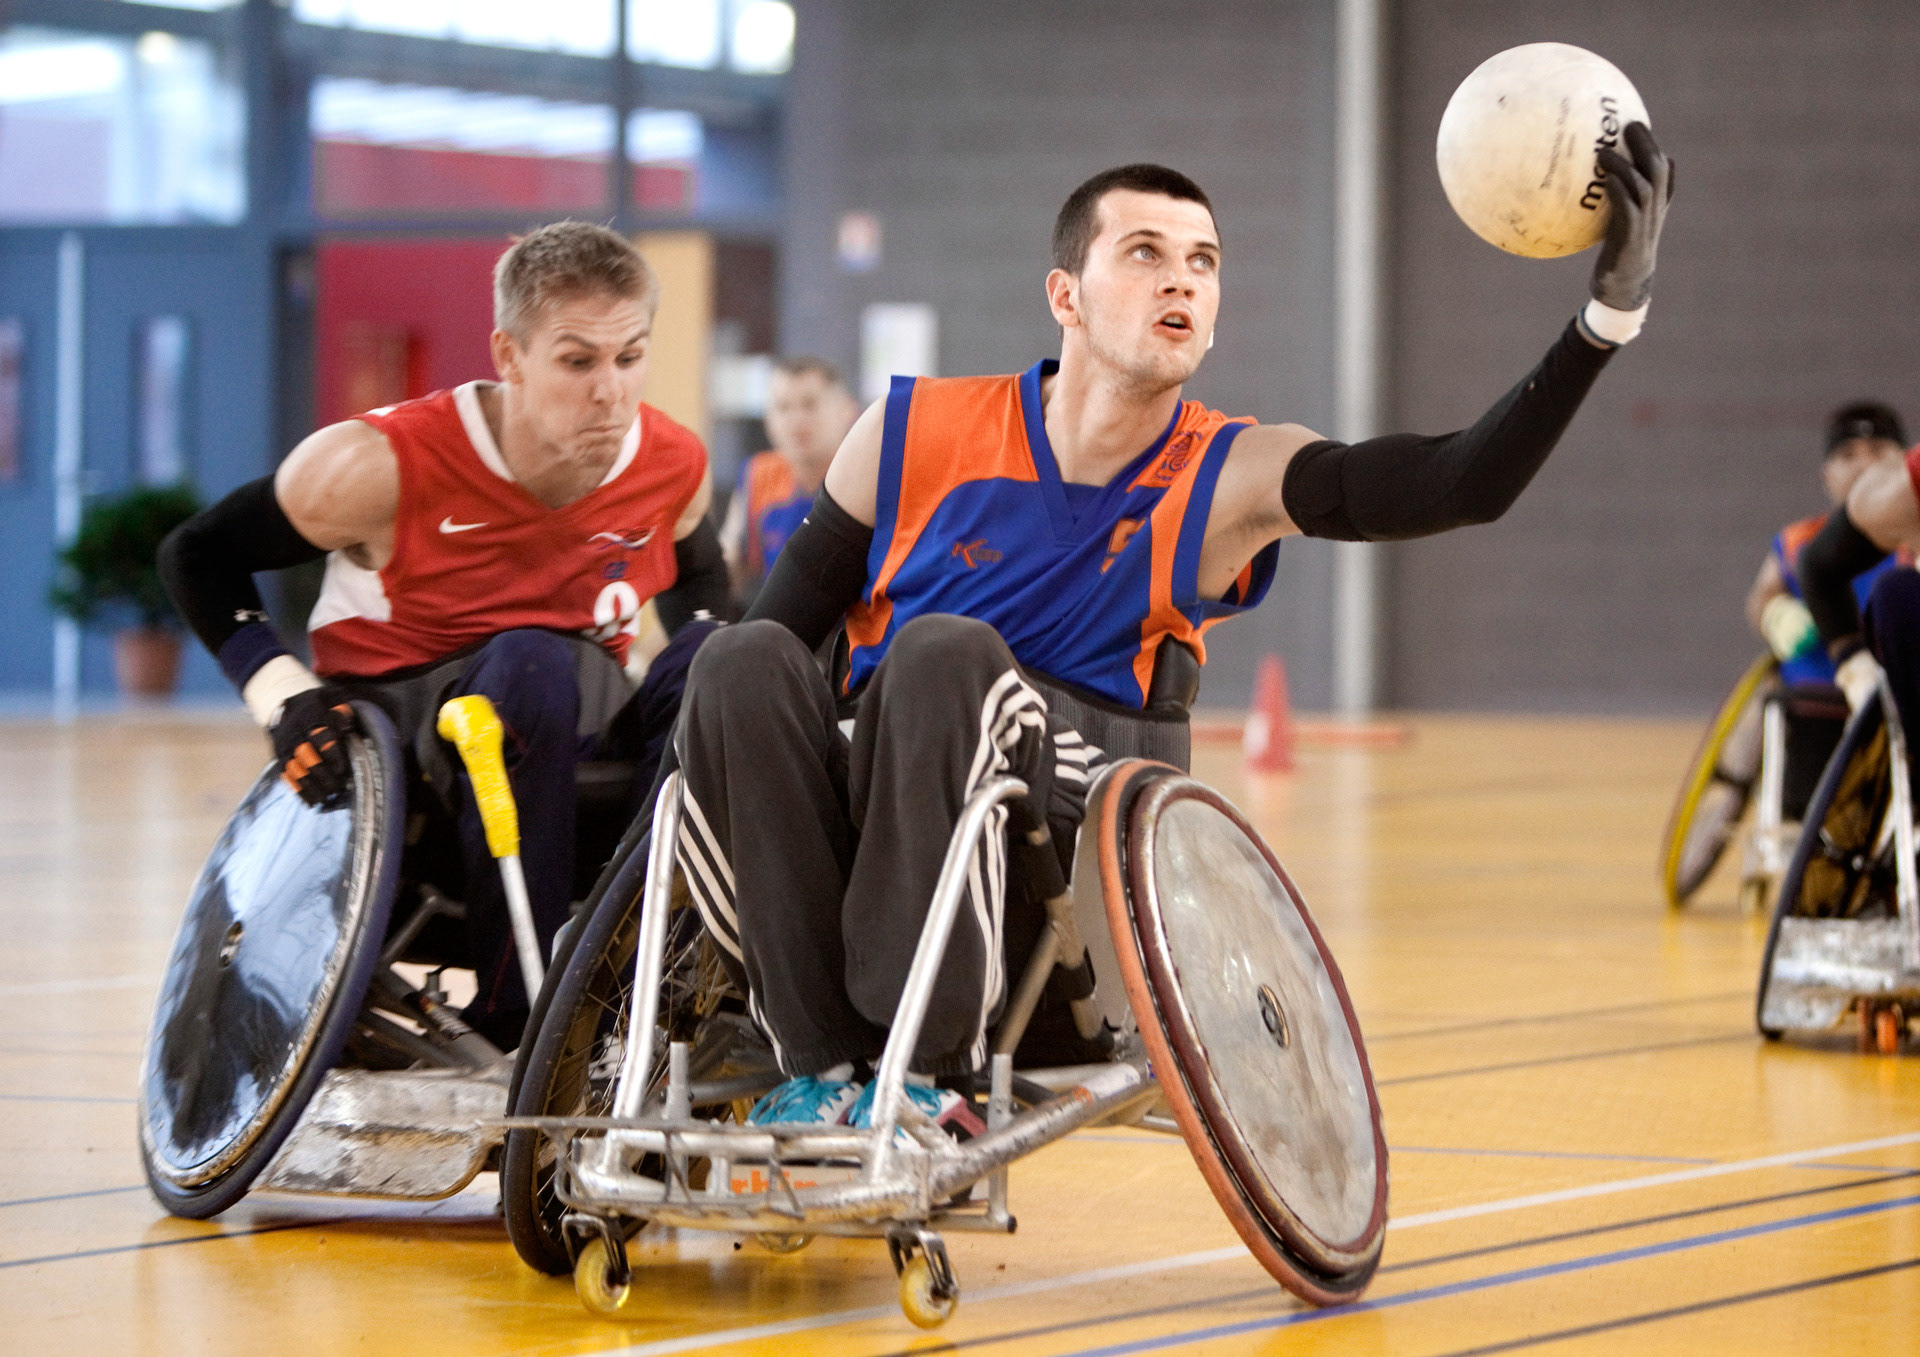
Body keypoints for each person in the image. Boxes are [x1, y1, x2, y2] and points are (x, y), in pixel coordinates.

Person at [676, 132, 1673, 1136]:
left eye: (1204, 262)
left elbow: (1459, 481)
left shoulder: (1228, 474)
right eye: (1146, 252)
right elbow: (767, 657)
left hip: (1049, 841)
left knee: (942, 650)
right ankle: (815, 1061)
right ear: (1066, 296)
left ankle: (923, 1067)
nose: (1182, 281)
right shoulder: (905, 432)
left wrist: (1605, 318)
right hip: (863, 814)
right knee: (737, 657)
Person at [158, 221, 733, 1050]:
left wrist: (713, 651)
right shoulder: (378, 464)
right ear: (508, 354)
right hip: (421, 769)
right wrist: (281, 694)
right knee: (532, 661)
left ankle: (657, 970)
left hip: (579, 767)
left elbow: (703, 579)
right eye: (578, 361)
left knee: (721, 661)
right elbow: (197, 553)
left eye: (630, 356)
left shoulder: (670, 463)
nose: (610, 390)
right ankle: (515, 1012)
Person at [1746, 402, 1905, 684]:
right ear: (1827, 476)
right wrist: (1776, 615)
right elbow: (1762, 596)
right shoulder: (1800, 539)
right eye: (1847, 455)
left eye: (1878, 450)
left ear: (1904, 464)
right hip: (1816, 698)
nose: (1865, 464)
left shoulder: (1912, 535)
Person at [719, 356, 861, 605]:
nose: (796, 419)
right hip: (777, 625)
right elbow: (728, 564)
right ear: (768, 420)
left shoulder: (870, 476)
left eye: (810, 404)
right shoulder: (757, 475)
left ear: (847, 410)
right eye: (783, 407)